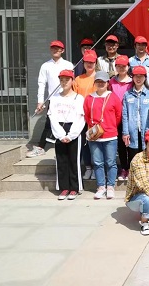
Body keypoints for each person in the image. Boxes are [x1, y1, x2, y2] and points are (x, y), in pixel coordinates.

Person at [27, 40, 74, 158]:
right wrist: (40, 101)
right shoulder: (45, 66)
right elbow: (41, 84)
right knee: (49, 124)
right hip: (53, 100)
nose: (55, 50)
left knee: (67, 124)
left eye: (58, 48)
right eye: (53, 48)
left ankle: (67, 149)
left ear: (62, 50)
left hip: (68, 99)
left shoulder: (69, 65)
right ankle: (41, 147)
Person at [84, 71, 122, 200]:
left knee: (111, 162)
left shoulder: (113, 97)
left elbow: (118, 115)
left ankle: (110, 186)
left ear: (107, 83)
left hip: (110, 135)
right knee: (97, 162)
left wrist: (109, 126)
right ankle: (101, 186)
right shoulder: (89, 98)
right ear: (94, 83)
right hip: (94, 136)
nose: (100, 84)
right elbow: (87, 115)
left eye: (103, 82)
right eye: (98, 81)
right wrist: (94, 128)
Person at [49, 69, 85, 200]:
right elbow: (52, 117)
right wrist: (60, 134)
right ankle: (64, 187)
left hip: (74, 129)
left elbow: (81, 117)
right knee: (61, 160)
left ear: (72, 81)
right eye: (62, 80)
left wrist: (71, 135)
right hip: (59, 130)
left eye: (67, 80)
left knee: (74, 160)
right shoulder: (54, 98)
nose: (64, 82)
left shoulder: (79, 98)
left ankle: (74, 188)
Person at [121, 66, 149, 181]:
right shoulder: (127, 94)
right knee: (134, 157)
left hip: (147, 131)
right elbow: (125, 115)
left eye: (141, 76)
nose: (138, 79)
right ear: (133, 77)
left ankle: (147, 180)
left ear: (145, 77)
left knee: (147, 155)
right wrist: (125, 132)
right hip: (132, 131)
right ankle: (135, 181)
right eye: (136, 76)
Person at [72, 49, 98, 180]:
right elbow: (74, 97)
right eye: (87, 62)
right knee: (85, 143)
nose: (89, 64)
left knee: (96, 143)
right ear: (83, 63)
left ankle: (96, 168)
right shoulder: (78, 79)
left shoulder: (100, 78)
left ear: (96, 62)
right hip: (81, 117)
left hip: (95, 117)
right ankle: (88, 167)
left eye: (92, 62)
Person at [109, 55, 133, 181]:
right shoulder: (111, 81)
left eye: (124, 66)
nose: (121, 68)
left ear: (128, 67)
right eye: (118, 66)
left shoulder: (132, 81)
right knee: (121, 144)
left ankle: (132, 168)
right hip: (115, 117)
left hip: (130, 116)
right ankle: (124, 167)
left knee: (131, 143)